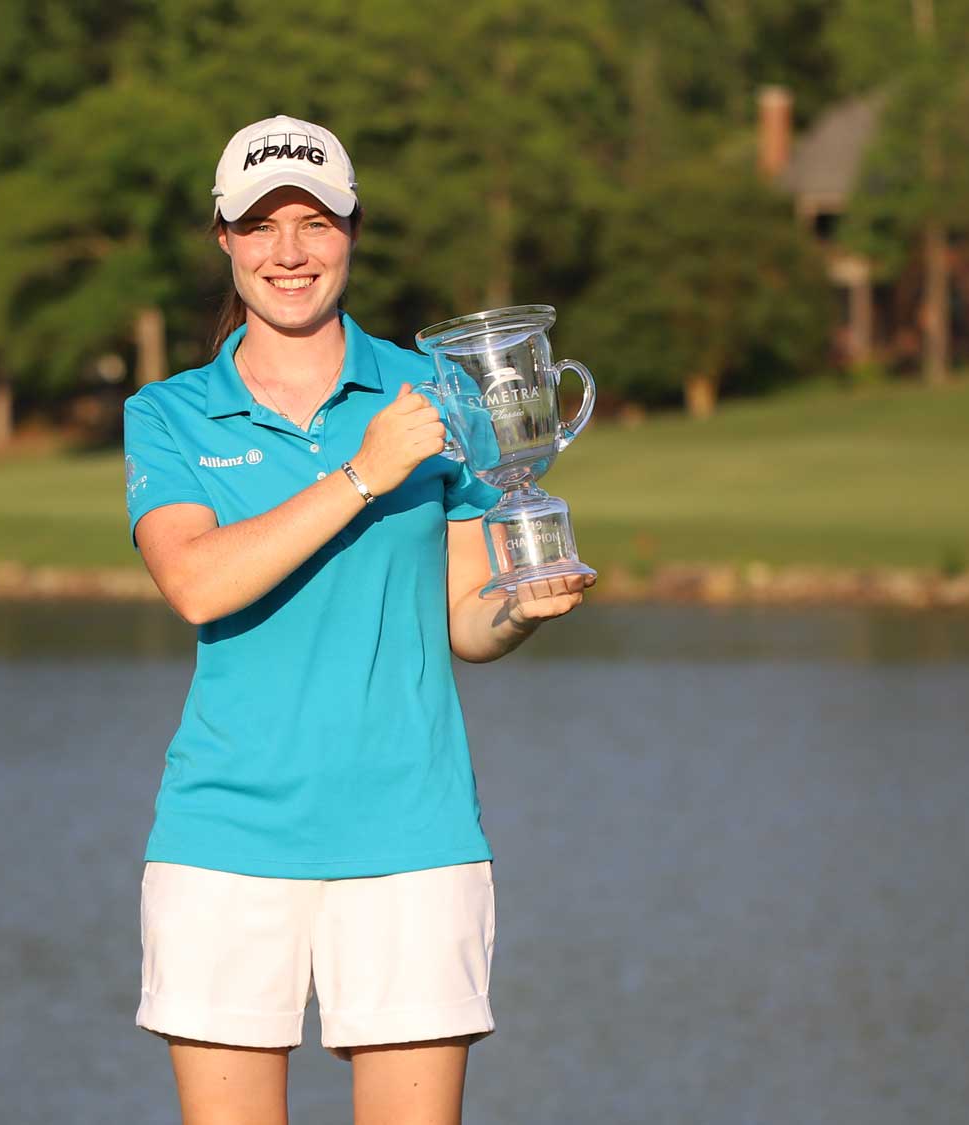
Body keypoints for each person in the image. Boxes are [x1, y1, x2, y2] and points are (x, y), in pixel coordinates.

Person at [122, 114, 592, 1125]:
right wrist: (361, 473)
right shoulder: (167, 414)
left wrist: (519, 609)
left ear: (352, 230)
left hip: (411, 832)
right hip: (225, 836)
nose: (287, 253)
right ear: (224, 241)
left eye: (313, 222)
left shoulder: (437, 391)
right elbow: (198, 583)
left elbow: (467, 622)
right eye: (259, 227)